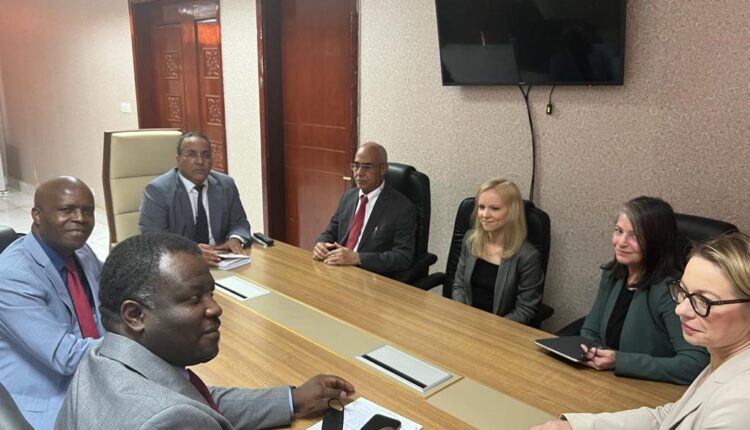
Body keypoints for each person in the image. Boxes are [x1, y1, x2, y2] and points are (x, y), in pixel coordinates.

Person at [55, 232, 355, 429]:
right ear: (135, 315)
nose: (215, 308)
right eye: (193, 298)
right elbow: (182, 413)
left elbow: (195, 399)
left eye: (211, 293)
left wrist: (293, 399)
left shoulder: (102, 356)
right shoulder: (167, 420)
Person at [532, 232, 750, 430]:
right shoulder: (723, 359)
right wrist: (575, 427)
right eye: (682, 292)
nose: (680, 309)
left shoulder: (740, 404)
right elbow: (669, 418)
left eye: (703, 301)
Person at [0, 177, 103, 429]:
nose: (80, 218)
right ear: (37, 215)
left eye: (88, 211)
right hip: (50, 396)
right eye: (67, 210)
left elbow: (113, 295)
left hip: (96, 374)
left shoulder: (80, 251)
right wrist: (137, 346)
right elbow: (65, 356)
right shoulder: (12, 275)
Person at [577, 196, 708, 384]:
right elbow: (590, 331)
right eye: (618, 231)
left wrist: (619, 361)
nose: (621, 242)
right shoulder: (612, 275)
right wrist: (593, 353)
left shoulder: (671, 291)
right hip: (605, 381)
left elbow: (694, 364)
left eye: (634, 236)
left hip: (650, 389)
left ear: (657, 241)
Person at [139, 131, 251, 267]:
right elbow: (154, 239)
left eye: (206, 155)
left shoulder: (226, 184)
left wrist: (235, 238)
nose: (200, 161)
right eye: (192, 155)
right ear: (178, 159)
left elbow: (239, 222)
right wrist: (190, 252)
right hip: (179, 266)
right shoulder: (158, 190)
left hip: (222, 260)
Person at [313, 142, 417, 278]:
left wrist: (358, 258)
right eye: (356, 166)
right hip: (337, 271)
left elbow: (403, 257)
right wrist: (321, 244)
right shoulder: (348, 197)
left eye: (367, 167)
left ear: (383, 169)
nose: (359, 173)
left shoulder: (402, 208)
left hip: (370, 279)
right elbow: (331, 231)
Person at [451, 178, 544, 325]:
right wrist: (462, 314)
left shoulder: (527, 257)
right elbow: (459, 285)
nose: (485, 215)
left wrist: (491, 327)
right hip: (465, 322)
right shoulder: (470, 239)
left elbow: (525, 310)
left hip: (501, 328)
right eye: (481, 207)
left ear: (512, 212)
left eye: (495, 208)